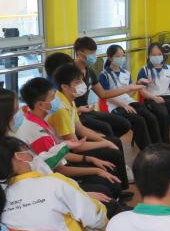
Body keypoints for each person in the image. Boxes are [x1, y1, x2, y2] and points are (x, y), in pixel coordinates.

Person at [17, 76, 126, 209]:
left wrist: (90, 159)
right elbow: (59, 169)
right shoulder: (37, 133)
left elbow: (60, 153)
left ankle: (118, 203)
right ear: (40, 105)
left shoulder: (39, 120)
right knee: (106, 184)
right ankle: (116, 208)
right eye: (52, 97)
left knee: (109, 175)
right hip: (55, 180)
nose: (56, 100)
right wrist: (96, 170)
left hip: (62, 167)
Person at [49, 63, 131, 194]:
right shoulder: (60, 109)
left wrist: (103, 140)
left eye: (81, 80)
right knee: (112, 151)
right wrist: (104, 143)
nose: (82, 84)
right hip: (68, 153)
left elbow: (80, 128)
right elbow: (75, 147)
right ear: (64, 86)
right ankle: (118, 189)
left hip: (74, 143)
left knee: (114, 141)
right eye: (77, 82)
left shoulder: (68, 99)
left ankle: (121, 186)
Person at [97, 44, 161, 151]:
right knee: (139, 121)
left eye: (123, 55)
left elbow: (128, 94)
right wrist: (123, 105)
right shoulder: (104, 75)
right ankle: (147, 150)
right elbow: (106, 96)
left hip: (128, 102)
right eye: (118, 56)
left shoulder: (126, 73)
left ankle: (158, 147)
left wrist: (138, 83)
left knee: (151, 117)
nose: (121, 58)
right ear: (110, 58)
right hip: (114, 105)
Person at [71, 37, 136, 142]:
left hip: (88, 111)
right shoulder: (70, 71)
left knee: (124, 124)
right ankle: (107, 144)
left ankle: (106, 143)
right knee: (106, 128)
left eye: (94, 53)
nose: (93, 57)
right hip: (76, 113)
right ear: (79, 53)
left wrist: (128, 88)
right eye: (90, 53)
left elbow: (103, 94)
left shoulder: (90, 72)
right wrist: (76, 110)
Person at [136, 42, 170, 157]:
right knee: (163, 114)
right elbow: (142, 91)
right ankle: (166, 147)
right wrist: (154, 98)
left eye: (159, 54)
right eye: (153, 54)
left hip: (169, 97)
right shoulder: (144, 70)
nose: (156, 56)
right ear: (148, 56)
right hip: (151, 98)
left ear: (163, 55)